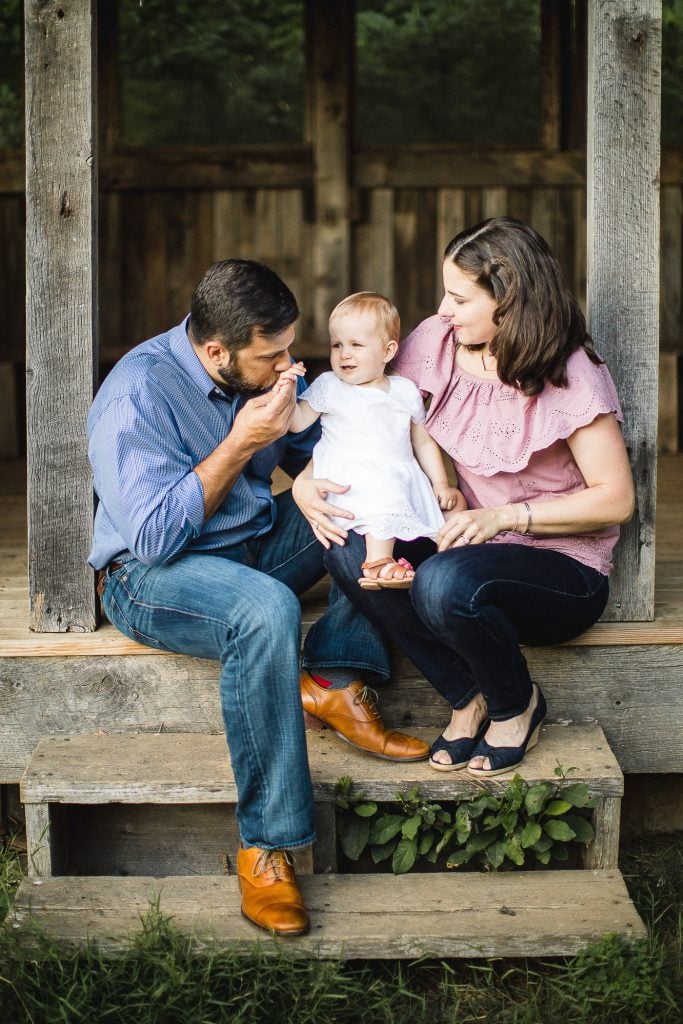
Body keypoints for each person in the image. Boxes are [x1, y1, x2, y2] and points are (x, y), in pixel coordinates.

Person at [87, 259, 429, 939]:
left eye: (290, 350)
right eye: (269, 356)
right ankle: (267, 847)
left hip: (251, 540)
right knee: (263, 609)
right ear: (216, 351)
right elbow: (154, 537)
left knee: (376, 503)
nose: (286, 367)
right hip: (151, 577)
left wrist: (305, 482)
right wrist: (243, 441)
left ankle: (334, 676)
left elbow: (317, 444)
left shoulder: (264, 372)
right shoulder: (137, 395)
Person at [293, 218, 635, 778]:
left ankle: (515, 704)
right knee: (350, 550)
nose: (443, 309)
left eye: (458, 297)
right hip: (461, 539)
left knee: (443, 581)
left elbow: (615, 499)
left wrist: (503, 515)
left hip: (560, 569)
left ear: (509, 301)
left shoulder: (570, 370)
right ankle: (466, 692)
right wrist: (307, 479)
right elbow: (371, 418)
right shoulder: (437, 342)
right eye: (443, 294)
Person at [282, 292, 464, 589]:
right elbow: (297, 422)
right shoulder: (330, 386)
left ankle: (447, 566)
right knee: (383, 490)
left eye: (356, 345)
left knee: (454, 505)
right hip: (349, 480)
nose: (344, 354)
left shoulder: (404, 391)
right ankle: (377, 561)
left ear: (388, 351)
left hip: (398, 473)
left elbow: (424, 442)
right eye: (337, 345)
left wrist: (441, 483)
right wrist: (288, 389)